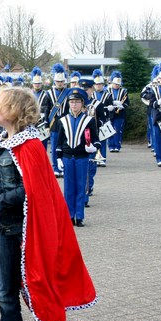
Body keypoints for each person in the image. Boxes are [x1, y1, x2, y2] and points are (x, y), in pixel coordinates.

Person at [0, 87, 96, 321]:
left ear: (13, 110)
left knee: (38, 283)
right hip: (7, 228)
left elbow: (29, 190)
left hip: (31, 230)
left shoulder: (30, 146)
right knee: (5, 288)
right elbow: (1, 182)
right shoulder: (5, 143)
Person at [56, 88, 101, 227]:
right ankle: (69, 216)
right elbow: (59, 142)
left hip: (82, 158)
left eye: (77, 102)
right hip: (67, 158)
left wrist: (94, 147)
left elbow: (96, 139)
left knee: (81, 187)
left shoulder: (89, 120)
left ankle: (79, 216)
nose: (74, 105)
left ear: (82, 103)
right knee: (69, 188)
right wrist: (58, 158)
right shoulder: (62, 120)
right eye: (71, 102)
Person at [46, 63, 70, 177]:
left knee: (65, 146)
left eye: (61, 81)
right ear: (54, 81)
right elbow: (47, 110)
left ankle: (64, 167)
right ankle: (55, 167)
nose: (59, 83)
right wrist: (46, 123)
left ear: (64, 81)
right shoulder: (49, 93)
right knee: (55, 146)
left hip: (66, 123)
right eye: (57, 81)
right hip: (54, 123)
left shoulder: (68, 92)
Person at [90, 69, 114, 167]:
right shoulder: (92, 95)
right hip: (92, 120)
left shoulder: (108, 95)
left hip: (103, 120)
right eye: (96, 84)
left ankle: (102, 158)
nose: (98, 86)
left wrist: (110, 110)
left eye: (100, 84)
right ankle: (94, 157)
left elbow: (111, 107)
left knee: (103, 140)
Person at [107, 71, 129, 153]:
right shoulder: (107, 90)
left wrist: (122, 106)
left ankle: (117, 146)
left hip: (120, 113)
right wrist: (111, 104)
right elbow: (105, 101)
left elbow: (127, 103)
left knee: (118, 129)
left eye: (118, 84)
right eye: (115, 84)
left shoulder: (124, 91)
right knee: (110, 129)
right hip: (110, 113)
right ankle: (111, 145)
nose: (117, 85)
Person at [30, 67, 50, 149]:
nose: (37, 85)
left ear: (41, 84)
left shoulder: (46, 94)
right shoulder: (28, 94)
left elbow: (48, 109)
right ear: (33, 84)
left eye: (38, 83)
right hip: (30, 122)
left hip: (42, 122)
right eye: (35, 83)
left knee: (43, 146)